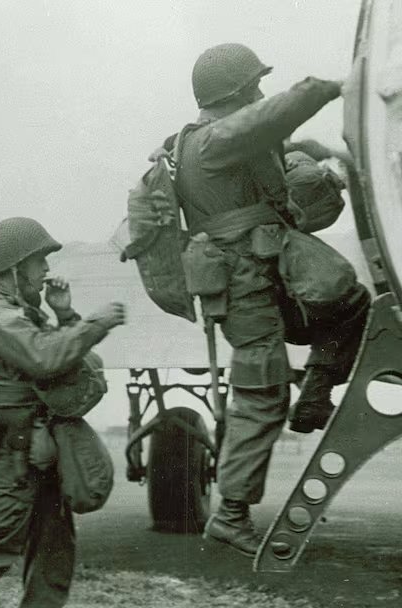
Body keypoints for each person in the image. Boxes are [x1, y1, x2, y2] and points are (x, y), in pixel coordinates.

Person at [175, 43, 371, 556]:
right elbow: (267, 117)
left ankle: (317, 389)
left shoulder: (209, 146)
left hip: (262, 278)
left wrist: (312, 146)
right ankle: (231, 515)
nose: (260, 91)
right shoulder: (214, 139)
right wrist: (335, 85)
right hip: (247, 287)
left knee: (349, 303)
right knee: (261, 397)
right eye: (253, 86)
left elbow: (264, 148)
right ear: (236, 93)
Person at [0, 217, 125, 608]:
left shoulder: (21, 314)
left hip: (38, 458)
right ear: (15, 267)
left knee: (53, 556)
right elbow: (45, 357)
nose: (46, 270)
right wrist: (95, 324)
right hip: (10, 463)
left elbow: (64, 367)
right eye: (40, 261)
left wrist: (65, 316)